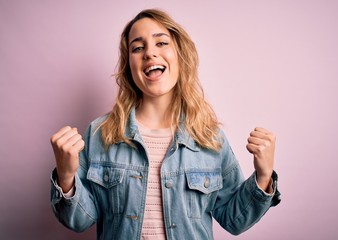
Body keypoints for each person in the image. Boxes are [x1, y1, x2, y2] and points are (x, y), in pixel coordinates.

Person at [50, 8, 281, 240]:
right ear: (129, 66)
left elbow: (233, 220)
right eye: (138, 48)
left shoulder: (210, 138)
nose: (149, 53)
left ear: (179, 55)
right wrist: (66, 177)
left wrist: (263, 177)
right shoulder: (100, 134)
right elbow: (81, 220)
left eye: (161, 43)